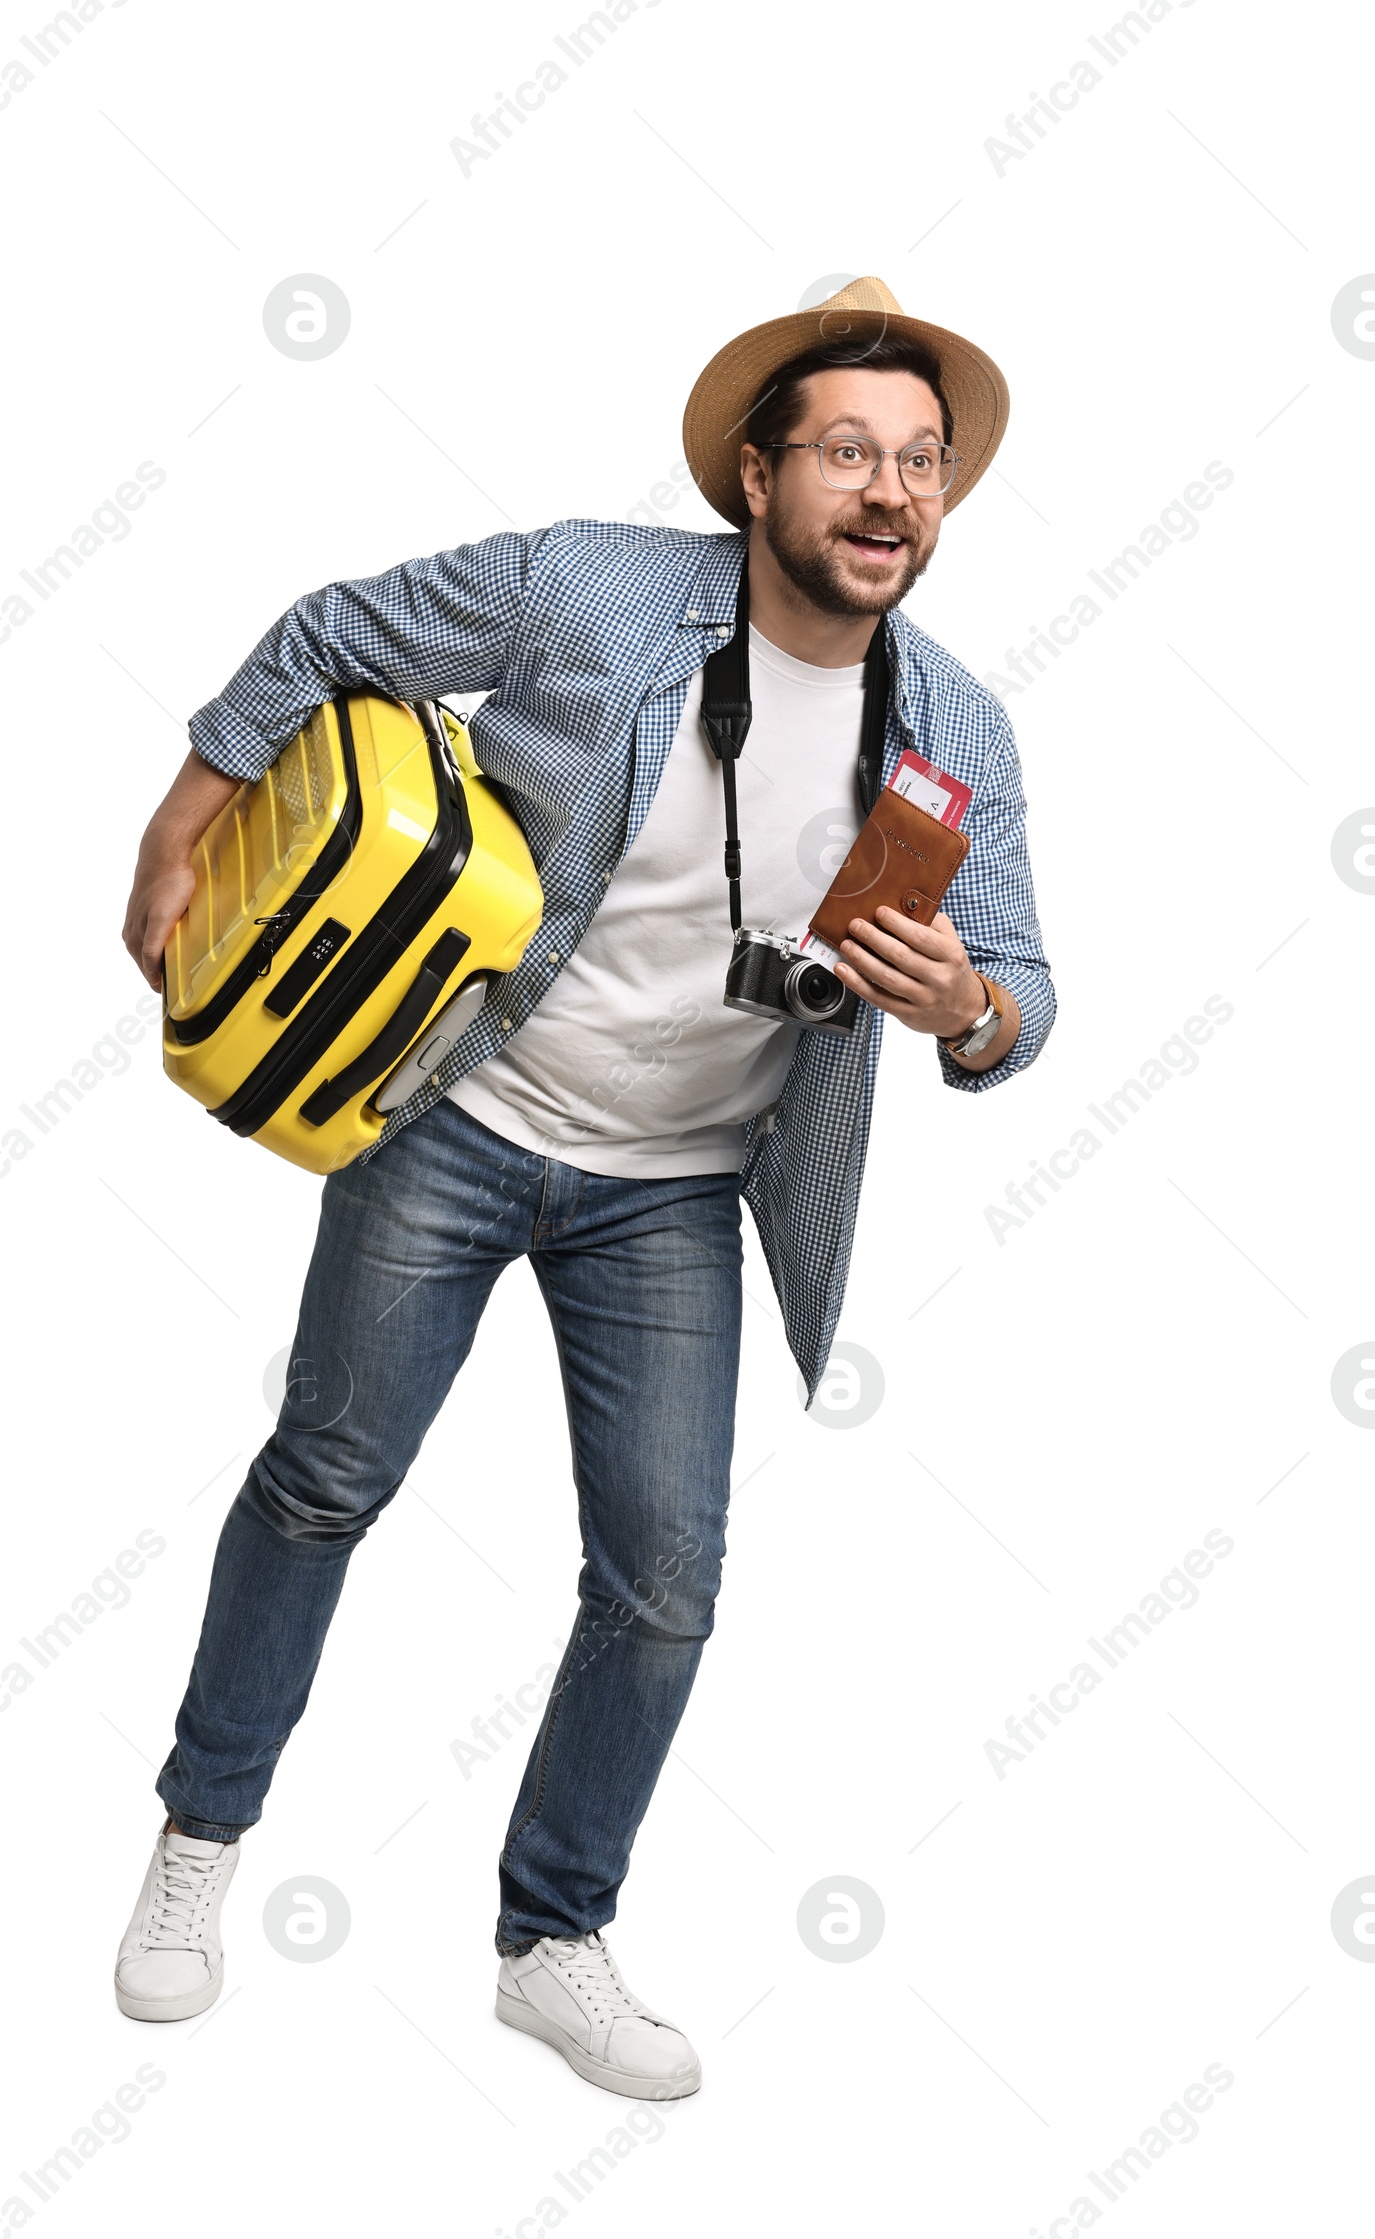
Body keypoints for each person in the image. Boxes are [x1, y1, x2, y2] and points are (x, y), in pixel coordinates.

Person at [114, 278, 1055, 2098]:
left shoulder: (956, 730)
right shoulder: (594, 591)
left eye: (922, 464)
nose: (891, 493)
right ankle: (198, 1844)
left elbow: (1025, 991)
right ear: (759, 472)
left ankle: (553, 1939)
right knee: (324, 1484)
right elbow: (335, 632)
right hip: (462, 1117)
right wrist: (182, 822)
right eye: (851, 452)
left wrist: (975, 1008)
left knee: (666, 1582)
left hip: (682, 1192)